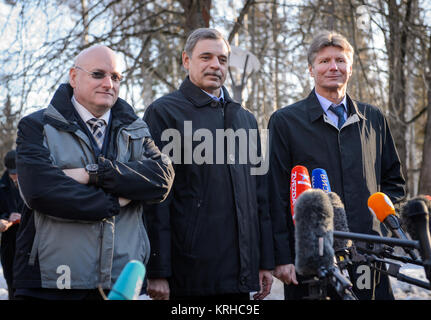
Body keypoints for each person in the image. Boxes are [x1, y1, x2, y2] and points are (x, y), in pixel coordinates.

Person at [13, 45, 174, 300]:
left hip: (120, 285)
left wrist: (93, 174)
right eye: (98, 74)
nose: (109, 84)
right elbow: (40, 191)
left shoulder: (137, 129)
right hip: (50, 285)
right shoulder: (36, 126)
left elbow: (161, 179)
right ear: (74, 77)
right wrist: (115, 200)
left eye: (116, 77)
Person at [267, 30, 405, 300]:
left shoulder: (374, 118)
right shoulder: (284, 122)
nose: (333, 67)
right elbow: (274, 195)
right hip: (311, 259)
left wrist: (378, 226)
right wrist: (281, 256)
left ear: (350, 68)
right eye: (324, 61)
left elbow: (394, 183)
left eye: (340, 60)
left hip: (370, 256)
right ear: (311, 69)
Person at [143, 28, 274, 300]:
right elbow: (155, 200)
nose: (216, 65)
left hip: (240, 276)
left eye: (222, 59)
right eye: (206, 57)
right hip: (189, 276)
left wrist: (264, 262)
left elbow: (259, 196)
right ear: (186, 60)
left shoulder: (245, 119)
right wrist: (157, 269)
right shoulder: (163, 113)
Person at [0, 150, 23, 299]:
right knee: (11, 283)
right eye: (12, 172)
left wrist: (24, 217)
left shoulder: (31, 183)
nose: (15, 175)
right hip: (8, 243)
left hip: (27, 243)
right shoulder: (1, 187)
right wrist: (5, 219)